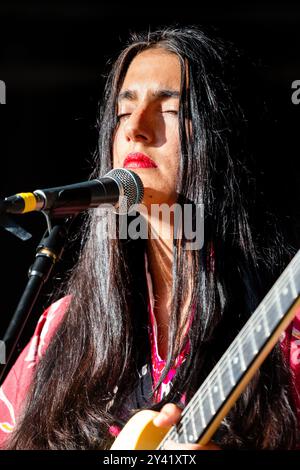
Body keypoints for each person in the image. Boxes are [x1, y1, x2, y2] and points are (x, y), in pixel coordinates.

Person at [0, 25, 299, 450]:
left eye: (171, 110)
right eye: (124, 112)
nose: (136, 129)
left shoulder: (288, 325)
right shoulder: (63, 328)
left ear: (225, 136)